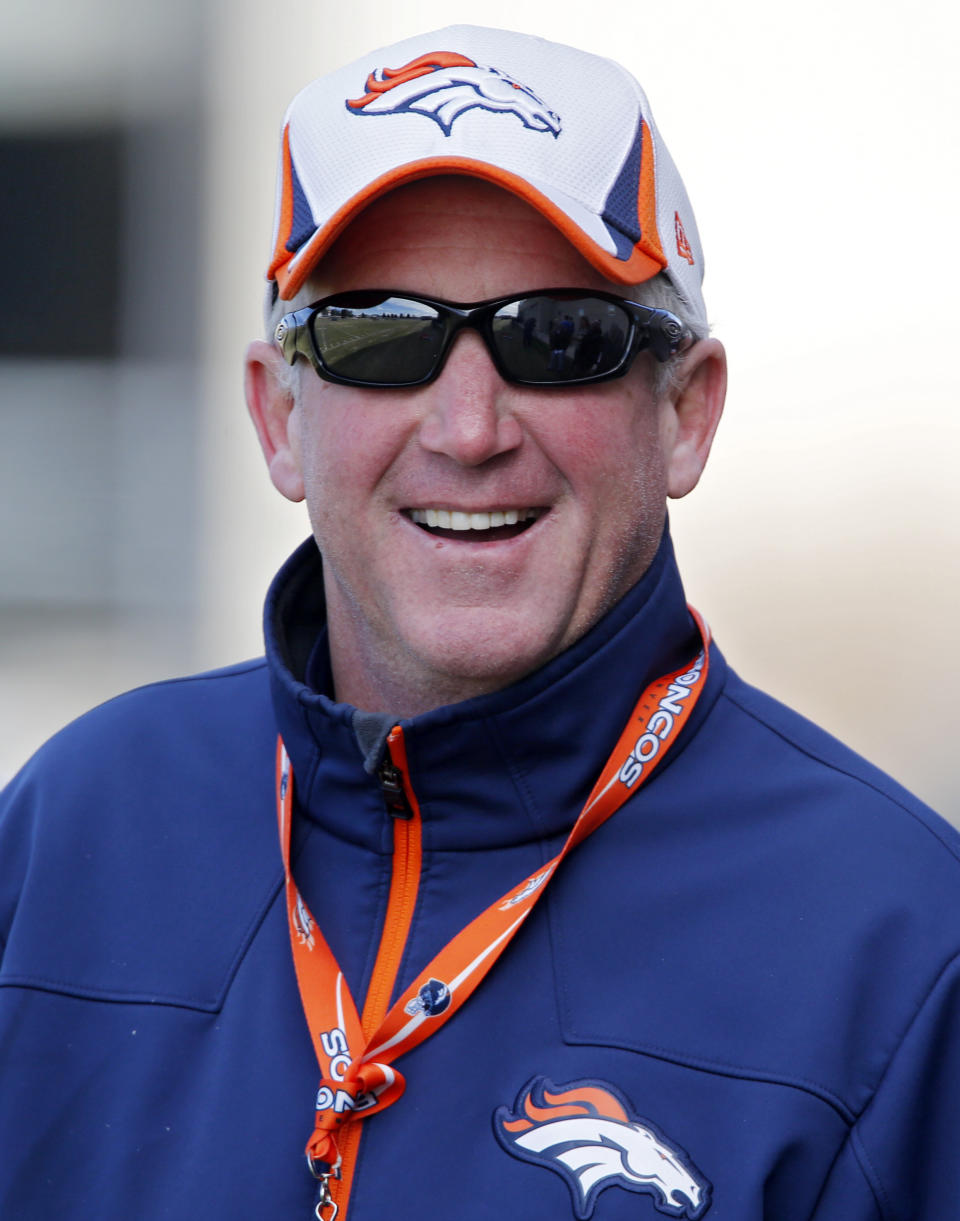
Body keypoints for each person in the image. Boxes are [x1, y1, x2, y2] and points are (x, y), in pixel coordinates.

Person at [1, 24, 958, 1221]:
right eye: (377, 337)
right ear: (277, 416)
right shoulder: (74, 831)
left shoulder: (901, 946)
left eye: (557, 339)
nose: (467, 431)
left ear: (687, 413)